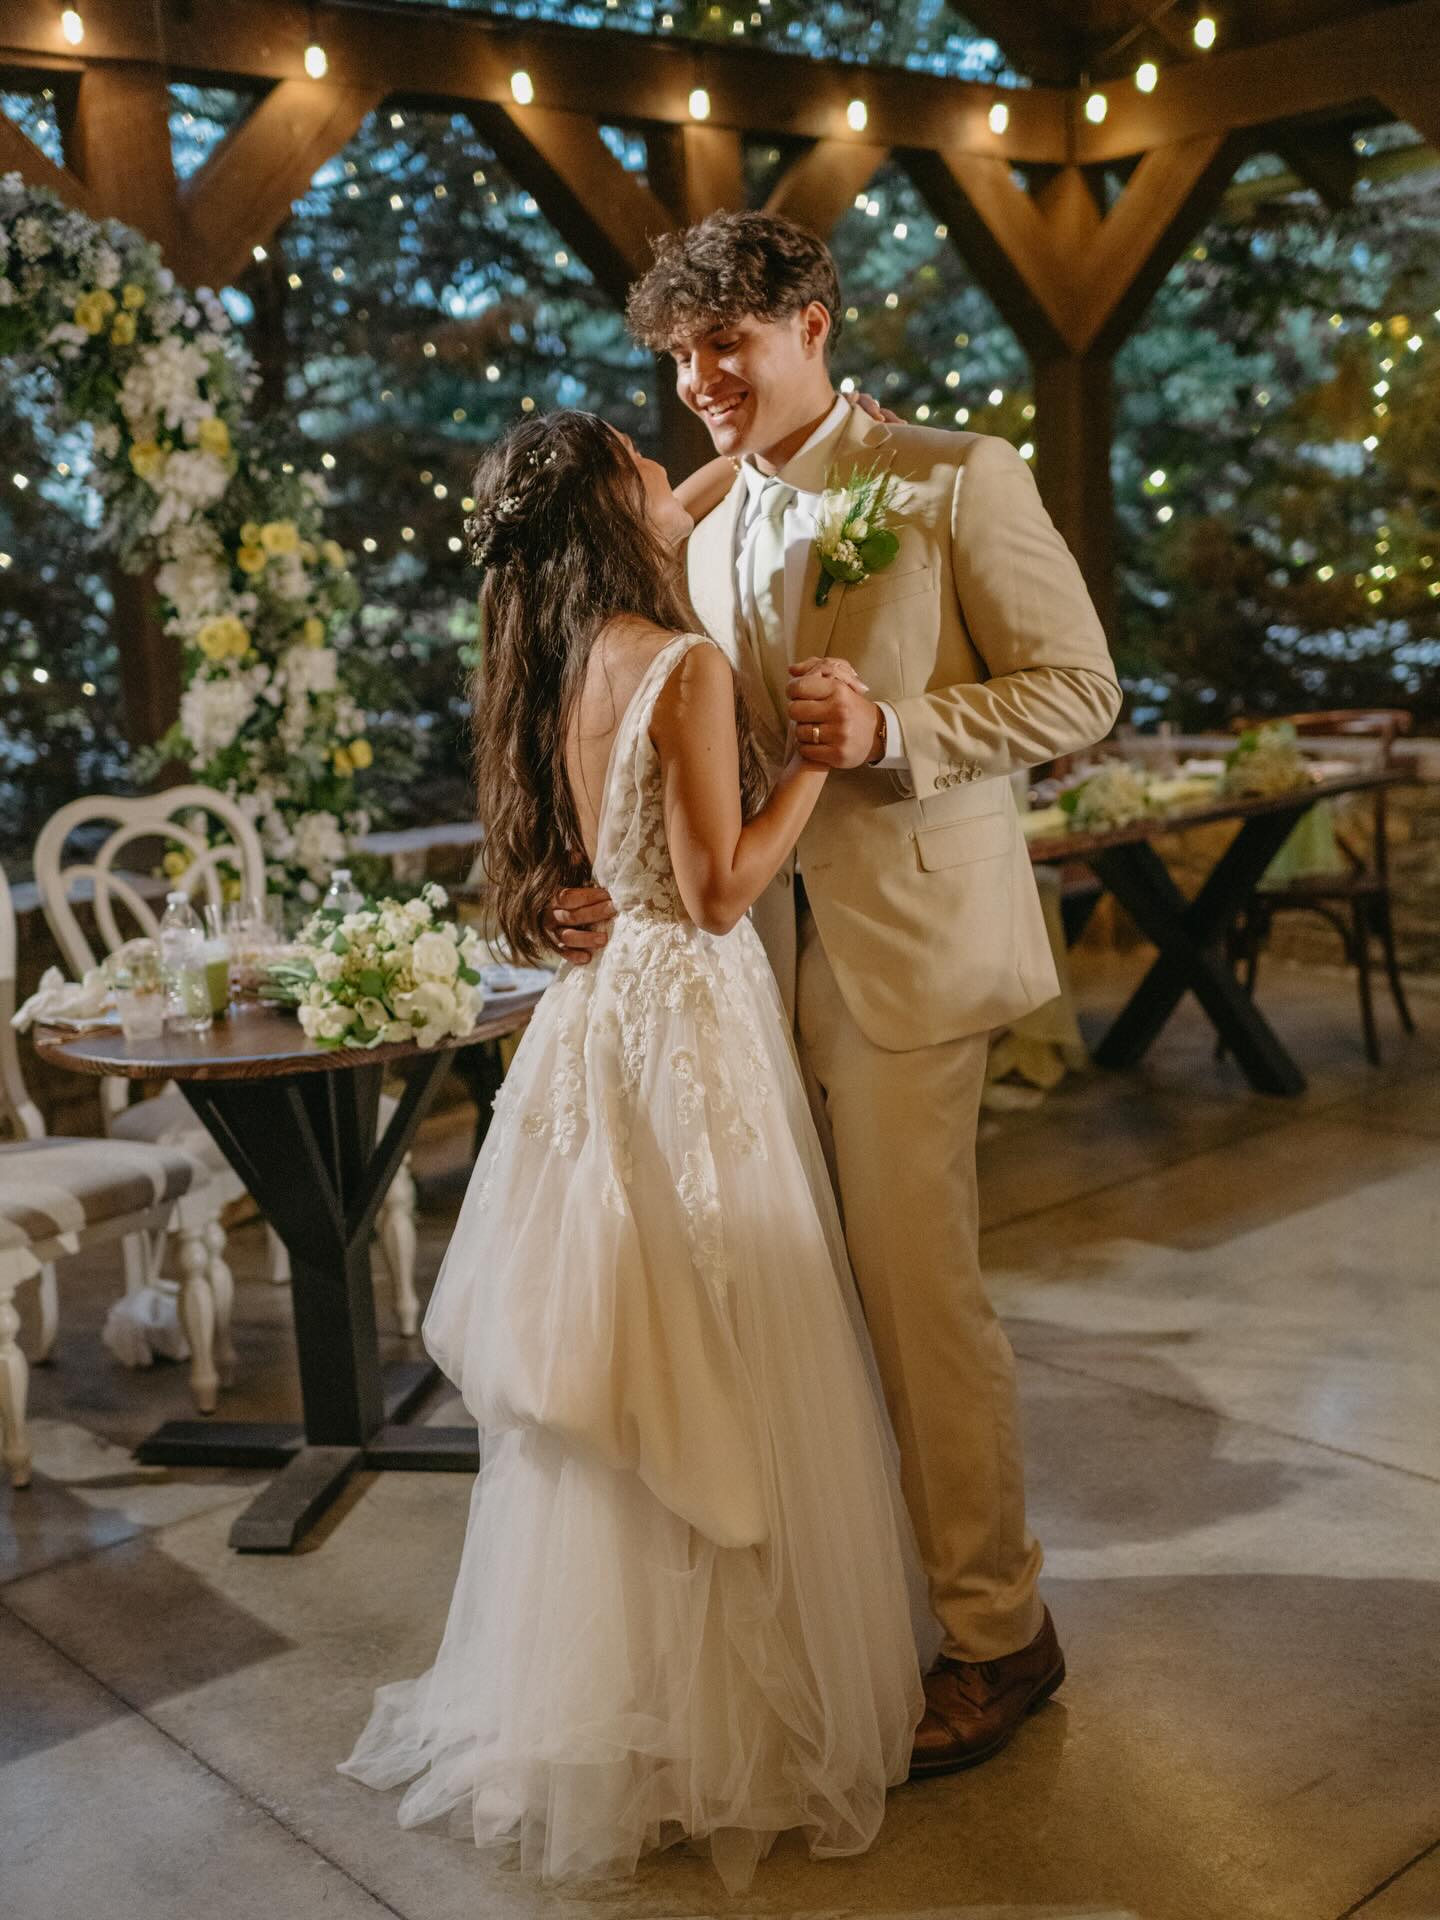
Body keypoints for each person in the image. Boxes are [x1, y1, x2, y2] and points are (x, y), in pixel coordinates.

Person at [338, 408, 943, 1893]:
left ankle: (616, 1711)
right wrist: (813, 757)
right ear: (622, 511)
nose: (675, 470)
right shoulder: (679, 665)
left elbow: (709, 480)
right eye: (645, 461)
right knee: (728, 1341)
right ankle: (734, 1720)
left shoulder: (558, 663)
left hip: (600, 1023)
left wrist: (794, 430)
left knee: (626, 1356)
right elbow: (724, 887)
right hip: (698, 1014)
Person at [550, 211, 1123, 1775]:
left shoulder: (955, 474)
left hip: (905, 961)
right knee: (797, 1306)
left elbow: (1082, 688)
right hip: (740, 971)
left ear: (813, 319)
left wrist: (894, 735)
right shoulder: (706, 514)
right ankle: (878, 1609)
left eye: (724, 341)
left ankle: (1000, 1635)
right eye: (676, 354)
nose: (698, 379)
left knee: (918, 1304)